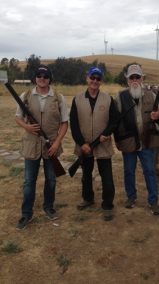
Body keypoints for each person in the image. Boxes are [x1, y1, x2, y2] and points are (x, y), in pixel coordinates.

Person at [15, 65, 68, 230]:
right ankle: (26, 214)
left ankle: (49, 207)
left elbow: (64, 123)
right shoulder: (26, 95)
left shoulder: (58, 97)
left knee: (51, 180)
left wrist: (58, 142)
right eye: (39, 75)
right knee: (29, 181)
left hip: (51, 146)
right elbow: (18, 117)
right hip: (31, 145)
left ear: (49, 78)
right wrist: (27, 127)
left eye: (45, 76)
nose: (42, 78)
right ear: (35, 78)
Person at [70, 67, 119, 221]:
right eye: (93, 77)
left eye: (98, 78)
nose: (95, 81)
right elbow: (74, 124)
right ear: (87, 78)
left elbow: (114, 121)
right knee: (86, 175)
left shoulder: (108, 99)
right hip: (84, 146)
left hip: (103, 144)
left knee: (107, 178)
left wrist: (107, 133)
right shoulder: (77, 99)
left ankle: (108, 205)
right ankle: (88, 198)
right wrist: (81, 143)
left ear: (101, 81)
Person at [114, 64, 159, 215]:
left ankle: (153, 201)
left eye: (137, 77)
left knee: (150, 171)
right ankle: (131, 197)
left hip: (147, 142)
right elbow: (116, 121)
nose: (135, 80)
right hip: (128, 142)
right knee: (129, 171)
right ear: (127, 79)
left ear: (142, 78)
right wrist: (118, 140)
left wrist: (157, 117)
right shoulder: (120, 97)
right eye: (131, 77)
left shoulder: (152, 96)